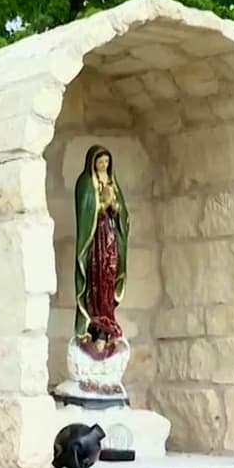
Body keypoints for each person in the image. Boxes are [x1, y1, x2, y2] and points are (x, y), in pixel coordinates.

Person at [73, 145, 130, 359]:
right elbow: (85, 212)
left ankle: (108, 323)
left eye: (106, 162)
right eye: (100, 162)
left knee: (108, 278)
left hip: (110, 239)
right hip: (95, 241)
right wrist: (100, 204)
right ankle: (95, 326)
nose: (104, 165)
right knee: (96, 281)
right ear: (92, 163)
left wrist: (114, 206)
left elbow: (122, 215)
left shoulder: (112, 183)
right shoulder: (86, 183)